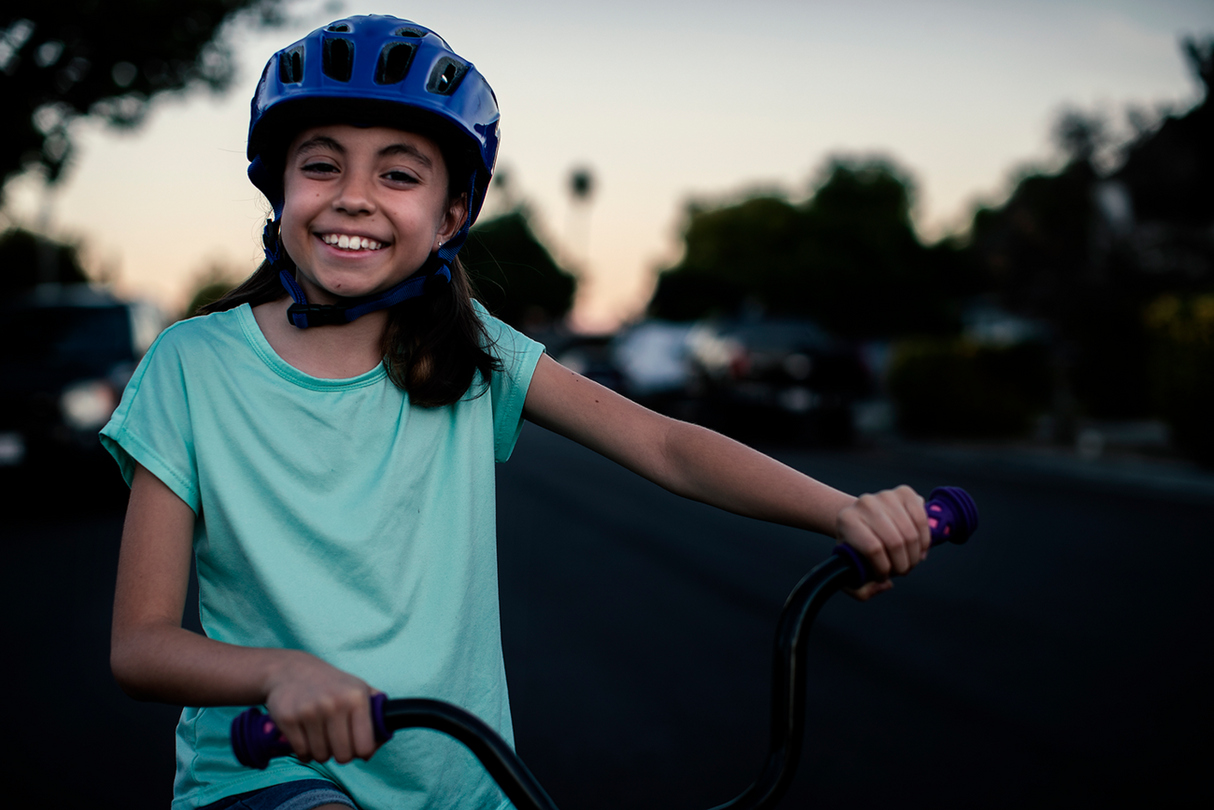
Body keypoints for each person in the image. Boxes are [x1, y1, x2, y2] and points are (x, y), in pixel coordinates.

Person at [104, 15, 932, 810]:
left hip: (467, 783)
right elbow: (140, 645)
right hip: (267, 772)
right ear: (278, 188)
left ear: (449, 218)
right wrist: (278, 673)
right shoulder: (191, 364)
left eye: (398, 175)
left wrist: (844, 510)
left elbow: (666, 446)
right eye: (322, 166)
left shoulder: (472, 349)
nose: (354, 197)